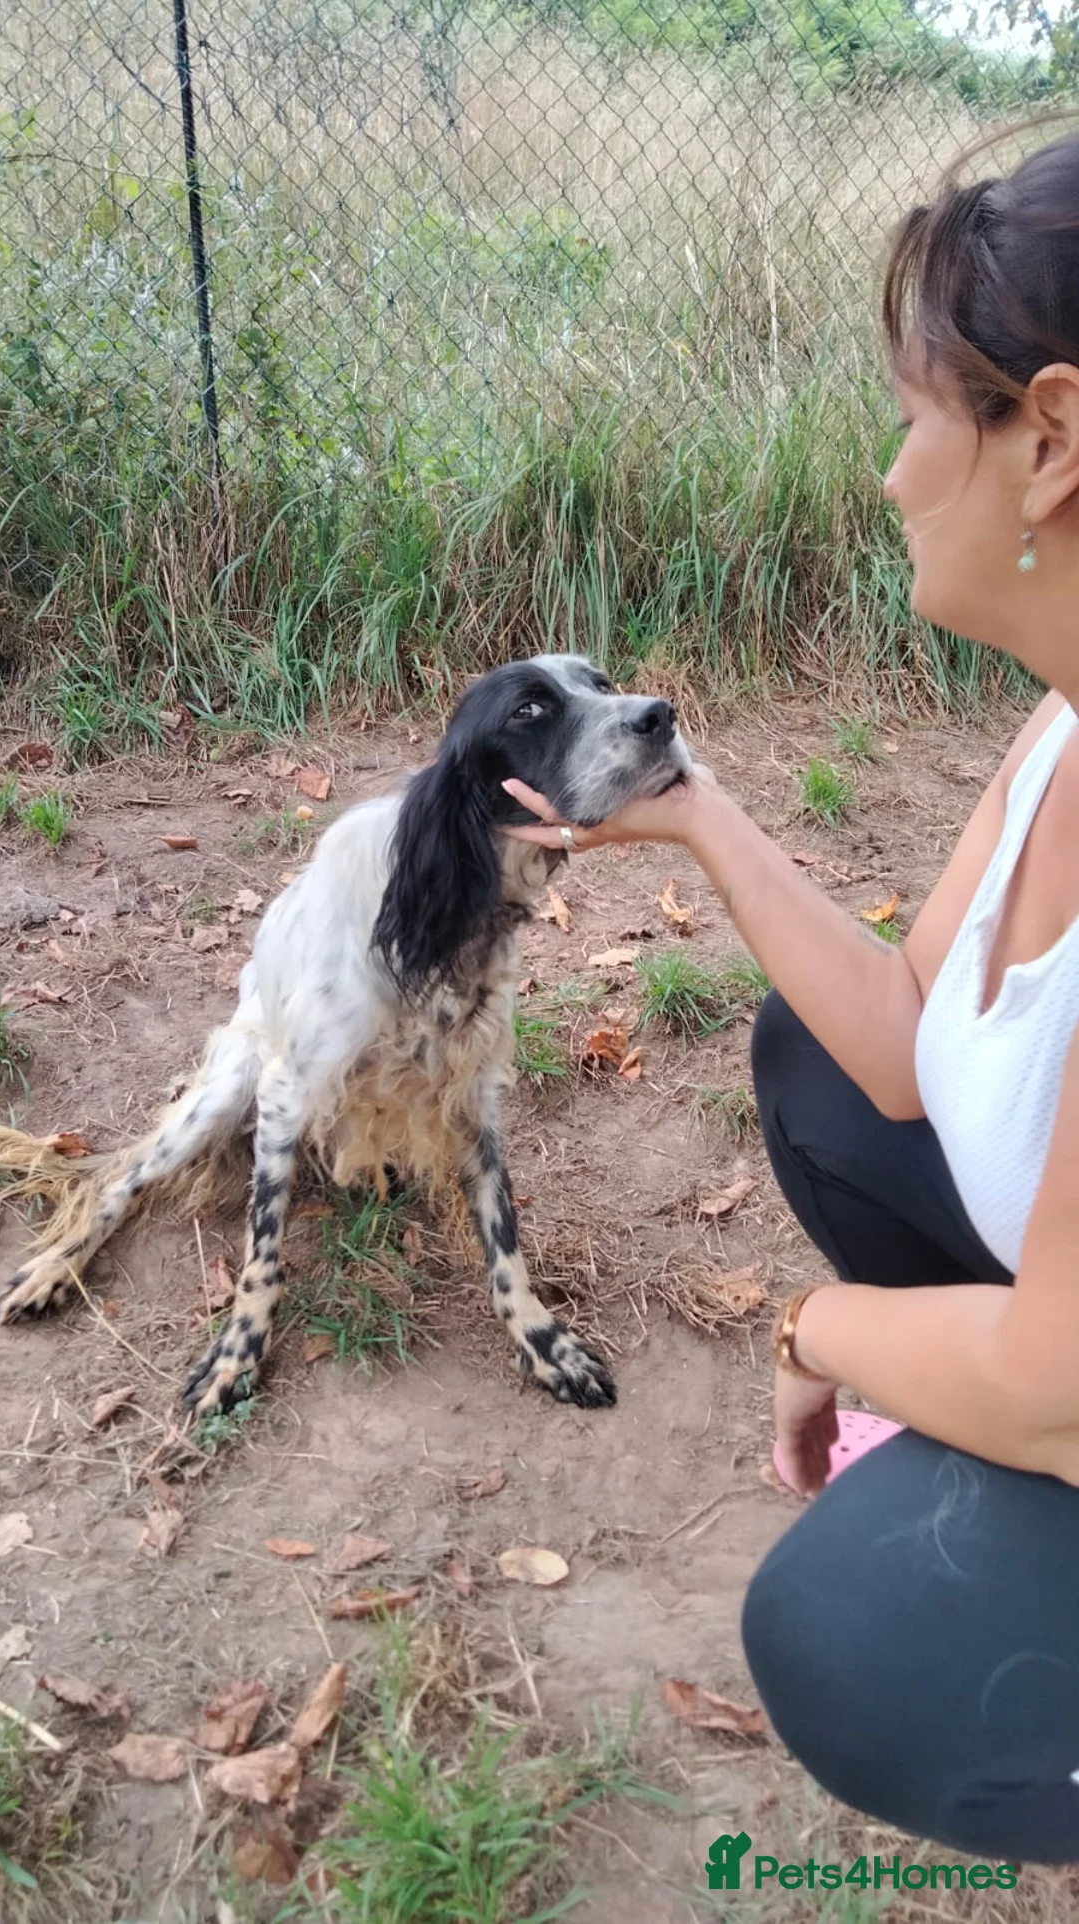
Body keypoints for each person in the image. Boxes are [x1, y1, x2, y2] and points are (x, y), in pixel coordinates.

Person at [500, 123, 1079, 1866]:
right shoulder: (1062, 727)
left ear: (1047, 440)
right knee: (820, 1072)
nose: (894, 475)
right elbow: (907, 1047)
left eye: (919, 421)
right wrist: (695, 812)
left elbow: (1066, 1382)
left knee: (861, 1643)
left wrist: (820, 1335)